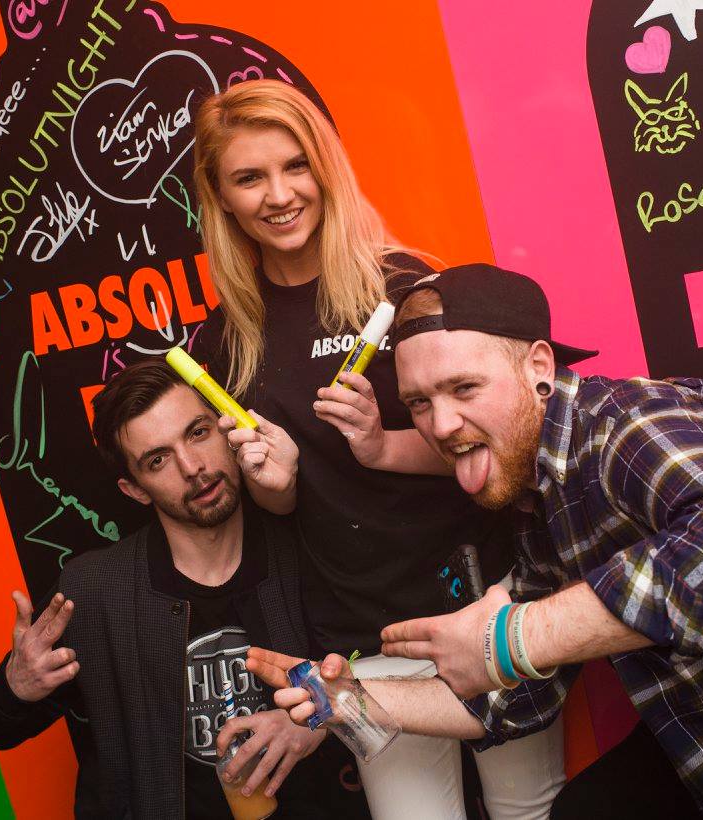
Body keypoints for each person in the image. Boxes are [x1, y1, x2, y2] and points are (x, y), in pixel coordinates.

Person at [251, 263, 703, 818]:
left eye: (464, 389)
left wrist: (516, 635)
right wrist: (353, 700)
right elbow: (512, 695)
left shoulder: (630, 424)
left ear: (539, 368)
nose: (439, 425)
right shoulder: (541, 504)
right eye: (418, 402)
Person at [190, 80, 565, 818]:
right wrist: (275, 484)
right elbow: (285, 507)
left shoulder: (407, 290)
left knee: (528, 809)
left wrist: (380, 441)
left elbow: (503, 449)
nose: (279, 195)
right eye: (249, 177)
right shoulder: (225, 341)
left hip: (483, 603)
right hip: (363, 635)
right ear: (220, 196)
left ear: (325, 168)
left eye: (295, 166)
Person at [0, 359, 367, 818]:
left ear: (227, 429)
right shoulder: (94, 590)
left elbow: (379, 677)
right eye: (157, 460)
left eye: (198, 433)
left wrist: (317, 720)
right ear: (135, 489)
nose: (192, 467)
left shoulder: (303, 550)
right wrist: (16, 685)